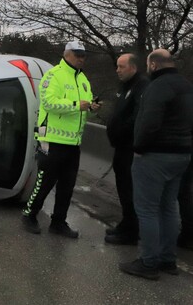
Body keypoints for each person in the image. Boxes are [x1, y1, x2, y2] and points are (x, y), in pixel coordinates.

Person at [119, 49, 193, 280]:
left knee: (147, 209)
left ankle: (149, 262)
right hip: (181, 155)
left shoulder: (157, 87)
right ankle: (167, 259)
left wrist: (138, 148)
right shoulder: (186, 85)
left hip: (155, 156)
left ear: (153, 65)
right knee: (168, 208)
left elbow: (148, 122)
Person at [22, 40, 99, 238]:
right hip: (52, 140)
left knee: (67, 185)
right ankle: (29, 214)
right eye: (78, 54)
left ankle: (58, 222)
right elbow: (49, 103)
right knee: (45, 182)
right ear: (67, 54)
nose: (82, 58)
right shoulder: (53, 75)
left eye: (84, 55)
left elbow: (83, 108)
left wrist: (90, 107)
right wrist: (76, 104)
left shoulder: (84, 80)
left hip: (73, 143)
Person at [104, 54, 148, 245]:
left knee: (130, 191)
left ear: (133, 67)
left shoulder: (141, 86)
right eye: (117, 67)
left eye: (121, 67)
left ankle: (131, 232)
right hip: (120, 148)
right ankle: (126, 223)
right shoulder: (125, 87)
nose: (117, 70)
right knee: (123, 189)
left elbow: (137, 117)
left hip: (130, 148)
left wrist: (120, 132)